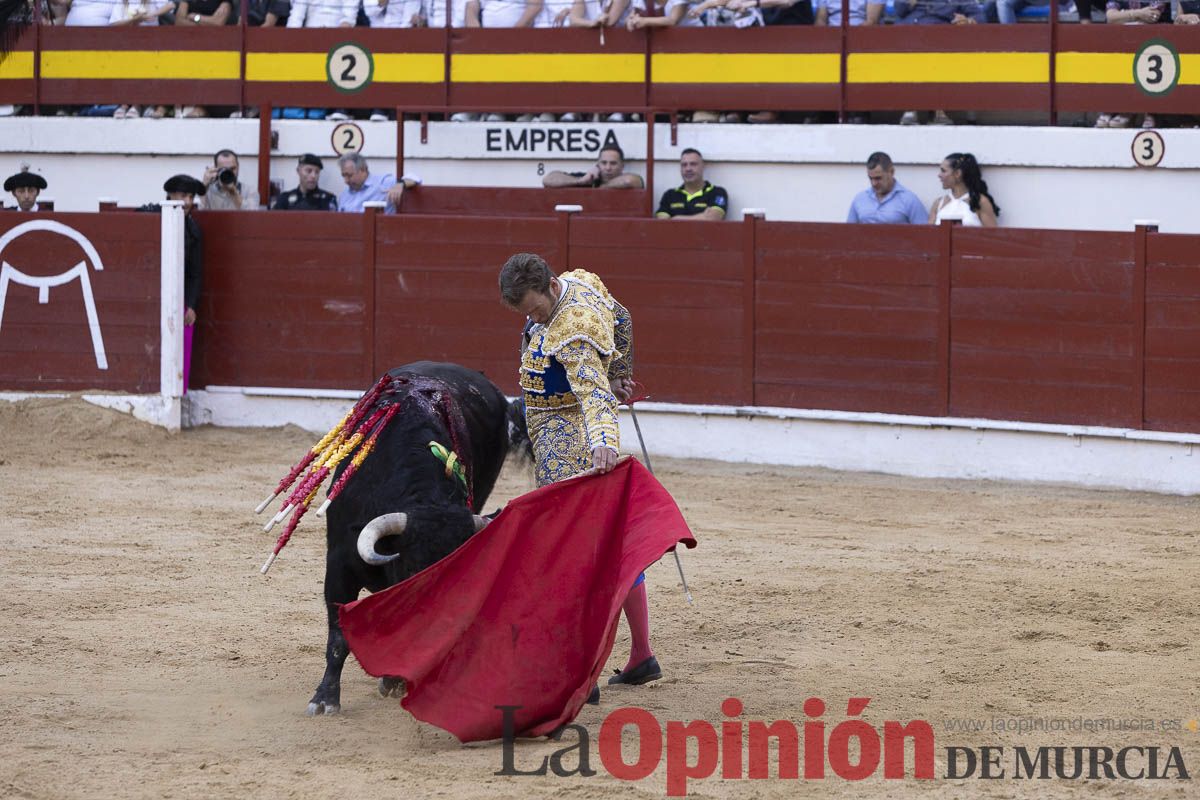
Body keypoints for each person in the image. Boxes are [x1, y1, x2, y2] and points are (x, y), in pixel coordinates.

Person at [498, 252, 662, 695]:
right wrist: (622, 372)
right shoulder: (580, 281)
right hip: (562, 426)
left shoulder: (573, 333)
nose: (532, 319)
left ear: (552, 287)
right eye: (525, 313)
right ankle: (642, 654)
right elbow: (622, 317)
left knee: (571, 549)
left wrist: (604, 441)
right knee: (610, 544)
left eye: (535, 310)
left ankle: (582, 667)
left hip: (564, 435)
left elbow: (591, 393)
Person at [163, 174, 206, 392]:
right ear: (170, 195)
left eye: (191, 196)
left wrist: (190, 304)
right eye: (183, 196)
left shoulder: (194, 230)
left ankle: (179, 393)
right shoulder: (152, 215)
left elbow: (195, 273)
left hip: (179, 299)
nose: (188, 201)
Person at [846, 152, 927, 225]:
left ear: (891, 172)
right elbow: (848, 233)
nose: (874, 183)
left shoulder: (909, 200)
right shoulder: (860, 199)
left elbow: (924, 234)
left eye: (878, 178)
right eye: (870, 178)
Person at [929, 152, 1000, 227]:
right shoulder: (938, 203)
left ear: (957, 173)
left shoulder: (980, 202)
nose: (939, 175)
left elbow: (992, 235)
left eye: (943, 171)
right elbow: (929, 234)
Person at [655, 148, 728, 221]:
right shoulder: (669, 195)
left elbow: (713, 218)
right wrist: (702, 217)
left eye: (693, 164)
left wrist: (676, 219)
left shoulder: (717, 192)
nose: (688, 169)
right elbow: (662, 223)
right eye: (684, 165)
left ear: (703, 166)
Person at [336, 153, 421, 214]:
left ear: (363, 170)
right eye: (343, 176)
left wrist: (400, 184)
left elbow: (415, 178)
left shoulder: (383, 183)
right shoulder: (344, 195)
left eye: (349, 175)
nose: (346, 181)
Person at [541, 144, 644, 190]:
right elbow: (548, 180)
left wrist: (601, 188)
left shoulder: (625, 179)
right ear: (598, 164)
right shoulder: (587, 178)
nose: (608, 168)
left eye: (613, 163)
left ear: (622, 166)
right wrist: (580, 181)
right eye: (604, 163)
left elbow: (629, 181)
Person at [271, 154, 338, 211]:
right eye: (309, 171)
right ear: (298, 171)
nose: (313, 176)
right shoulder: (284, 199)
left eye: (317, 172)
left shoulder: (327, 199)